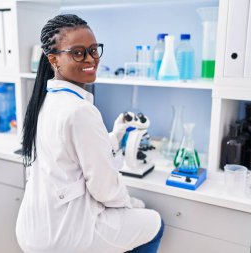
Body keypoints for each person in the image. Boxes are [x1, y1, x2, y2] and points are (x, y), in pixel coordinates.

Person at [16, 14, 164, 253]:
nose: (90, 59)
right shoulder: (80, 111)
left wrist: (115, 135)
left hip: (33, 231)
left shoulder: (44, 102)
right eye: (78, 52)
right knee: (155, 222)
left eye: (94, 50)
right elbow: (104, 189)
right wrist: (129, 205)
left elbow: (75, 153)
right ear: (54, 60)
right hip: (64, 237)